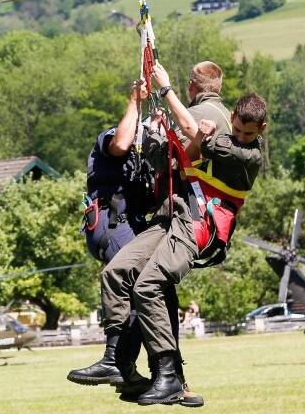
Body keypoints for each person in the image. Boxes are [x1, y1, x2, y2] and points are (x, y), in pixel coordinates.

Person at [70, 63, 238, 406]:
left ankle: (158, 376)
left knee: (156, 290)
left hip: (142, 224)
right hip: (112, 224)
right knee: (140, 285)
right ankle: (122, 363)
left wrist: (167, 145)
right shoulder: (111, 141)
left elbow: (171, 171)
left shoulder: (144, 162)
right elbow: (121, 142)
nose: (145, 137)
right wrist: (136, 101)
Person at [98, 92, 267, 405]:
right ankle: (116, 360)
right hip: (176, 216)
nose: (244, 137)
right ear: (232, 119)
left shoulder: (246, 153)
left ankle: (169, 376)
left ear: (262, 130)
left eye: (250, 133)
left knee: (148, 287)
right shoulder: (222, 139)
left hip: (201, 224)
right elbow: (181, 160)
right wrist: (158, 131)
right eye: (240, 130)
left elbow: (192, 131)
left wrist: (164, 91)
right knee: (116, 272)